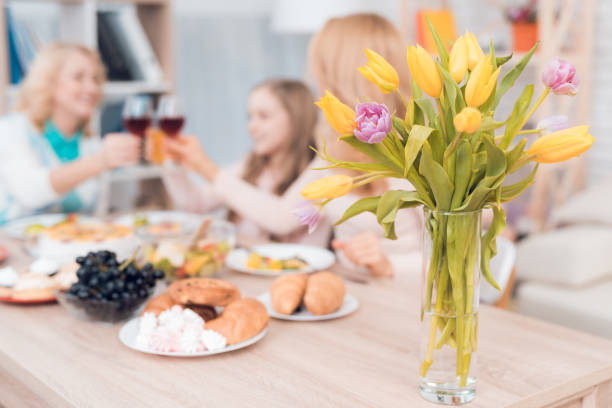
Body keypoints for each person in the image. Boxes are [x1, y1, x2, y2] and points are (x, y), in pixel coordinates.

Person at [308, 13, 422, 278]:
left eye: (322, 72)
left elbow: (452, 260)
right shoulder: (333, 147)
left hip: (407, 305)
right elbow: (289, 213)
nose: (317, 81)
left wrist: (388, 265)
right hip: (354, 296)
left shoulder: (417, 156)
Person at [162, 79, 332, 245]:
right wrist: (171, 161)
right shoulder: (252, 166)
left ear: (296, 119)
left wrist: (207, 169)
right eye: (250, 117)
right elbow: (195, 203)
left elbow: (282, 219)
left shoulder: (323, 170)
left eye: (263, 116)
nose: (251, 126)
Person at [0, 43, 140, 223]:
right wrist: (100, 161)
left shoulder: (89, 142)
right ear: (49, 82)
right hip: (13, 247)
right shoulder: (11, 129)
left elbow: (94, 216)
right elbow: (30, 193)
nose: (91, 88)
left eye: (96, 79)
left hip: (71, 245)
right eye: (78, 77)